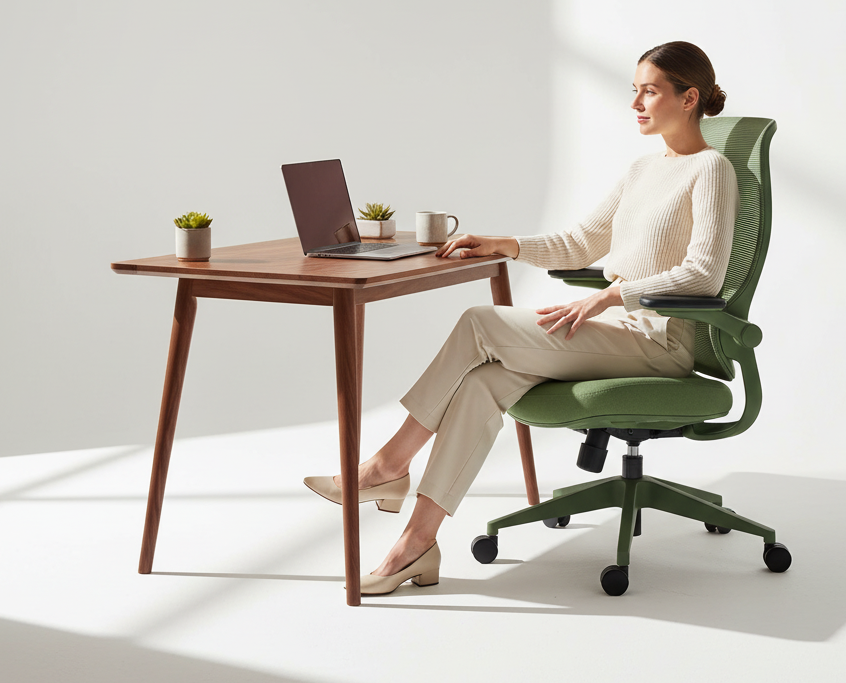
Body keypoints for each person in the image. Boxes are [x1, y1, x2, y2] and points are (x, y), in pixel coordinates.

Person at [304, 41, 739, 595]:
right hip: (616, 335)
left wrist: (608, 297)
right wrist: (502, 243)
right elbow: (580, 242)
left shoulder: (712, 169)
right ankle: (415, 545)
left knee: (479, 322)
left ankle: (386, 466)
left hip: (660, 342)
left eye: (649, 91)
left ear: (689, 97)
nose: (636, 102)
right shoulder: (642, 170)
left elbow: (704, 275)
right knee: (483, 383)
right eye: (634, 89)